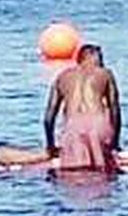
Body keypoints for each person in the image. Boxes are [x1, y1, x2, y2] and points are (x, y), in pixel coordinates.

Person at [45, 43, 121, 173]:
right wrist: (115, 143)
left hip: (72, 128)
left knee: (74, 174)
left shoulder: (61, 76)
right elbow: (115, 109)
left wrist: (51, 146)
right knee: (103, 174)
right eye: (100, 58)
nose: (102, 62)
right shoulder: (105, 74)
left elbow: (49, 117)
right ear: (90, 56)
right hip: (98, 125)